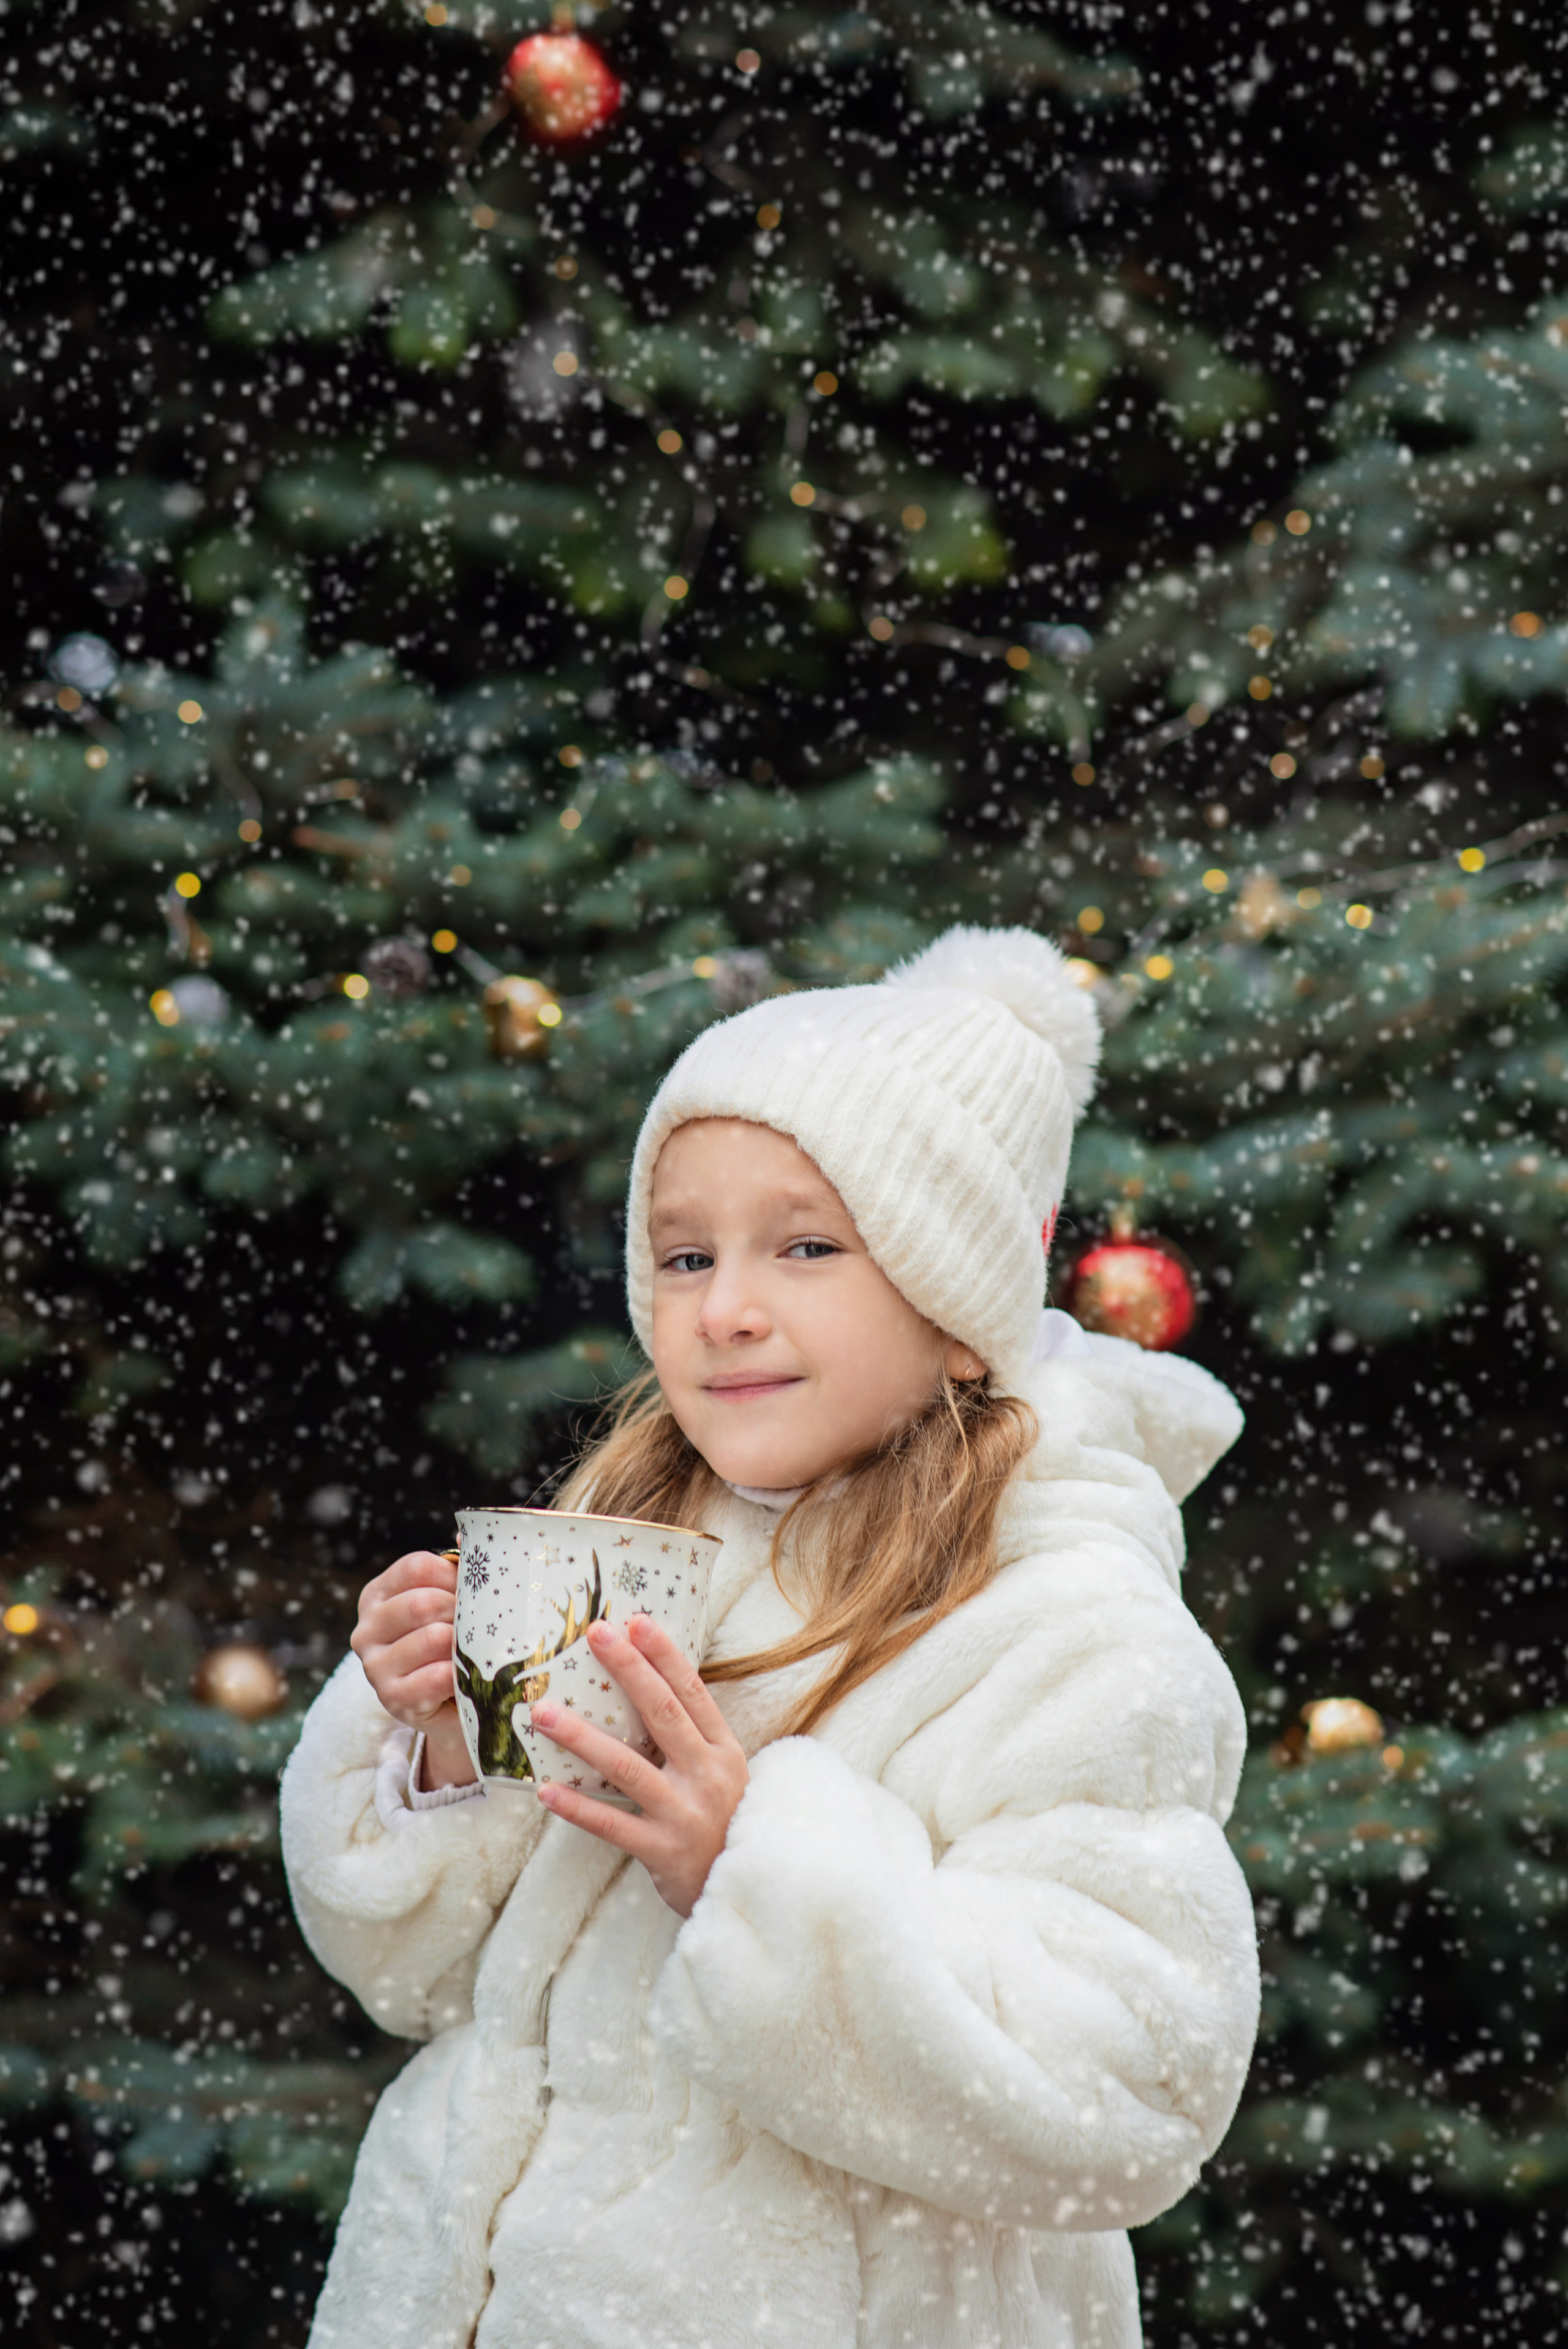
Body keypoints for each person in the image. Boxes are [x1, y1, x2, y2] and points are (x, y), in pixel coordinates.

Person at [280, 923, 1260, 2349]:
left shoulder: (1067, 1624)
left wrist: (753, 1870)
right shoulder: (635, 1539)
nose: (724, 1310)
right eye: (684, 1256)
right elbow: (421, 1979)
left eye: (805, 1246)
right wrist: (431, 1747)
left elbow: (1128, 2096)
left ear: (956, 1305)